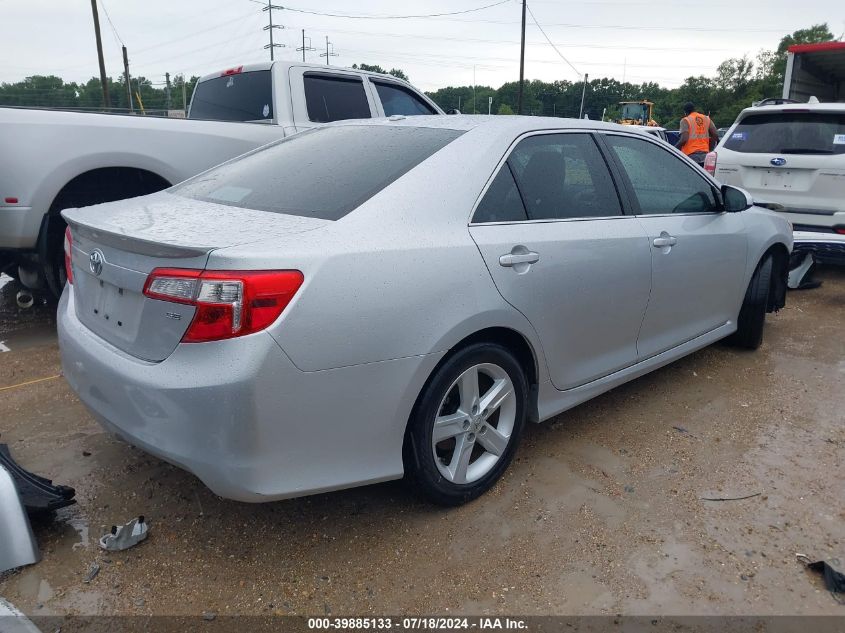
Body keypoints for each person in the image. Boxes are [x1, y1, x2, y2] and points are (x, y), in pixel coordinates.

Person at [675, 102, 719, 167]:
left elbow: (684, 139)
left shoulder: (685, 120)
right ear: (694, 109)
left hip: (690, 156)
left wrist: (675, 149)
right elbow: (715, 135)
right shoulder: (706, 118)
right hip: (705, 156)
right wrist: (710, 149)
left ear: (685, 112)